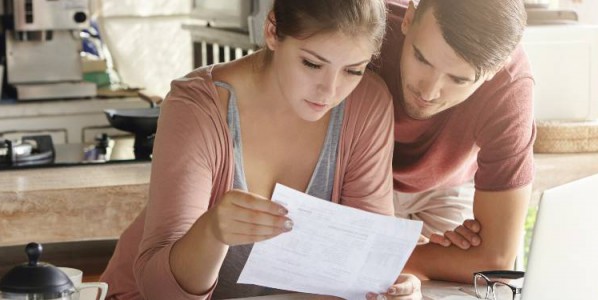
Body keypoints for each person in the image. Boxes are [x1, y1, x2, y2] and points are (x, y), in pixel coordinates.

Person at [99, 1, 420, 299]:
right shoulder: (196, 107)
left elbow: (362, 261)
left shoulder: (367, 105)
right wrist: (212, 232)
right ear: (272, 31)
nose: (330, 90)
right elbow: (159, 291)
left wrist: (388, 284)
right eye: (311, 63)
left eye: (353, 70)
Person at [373, 0, 535, 283]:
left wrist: (375, 254)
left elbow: (496, 263)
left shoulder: (510, 86)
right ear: (408, 18)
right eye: (422, 59)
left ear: (494, 70)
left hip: (446, 186)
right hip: (359, 179)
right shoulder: (368, 29)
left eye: (458, 79)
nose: (429, 91)